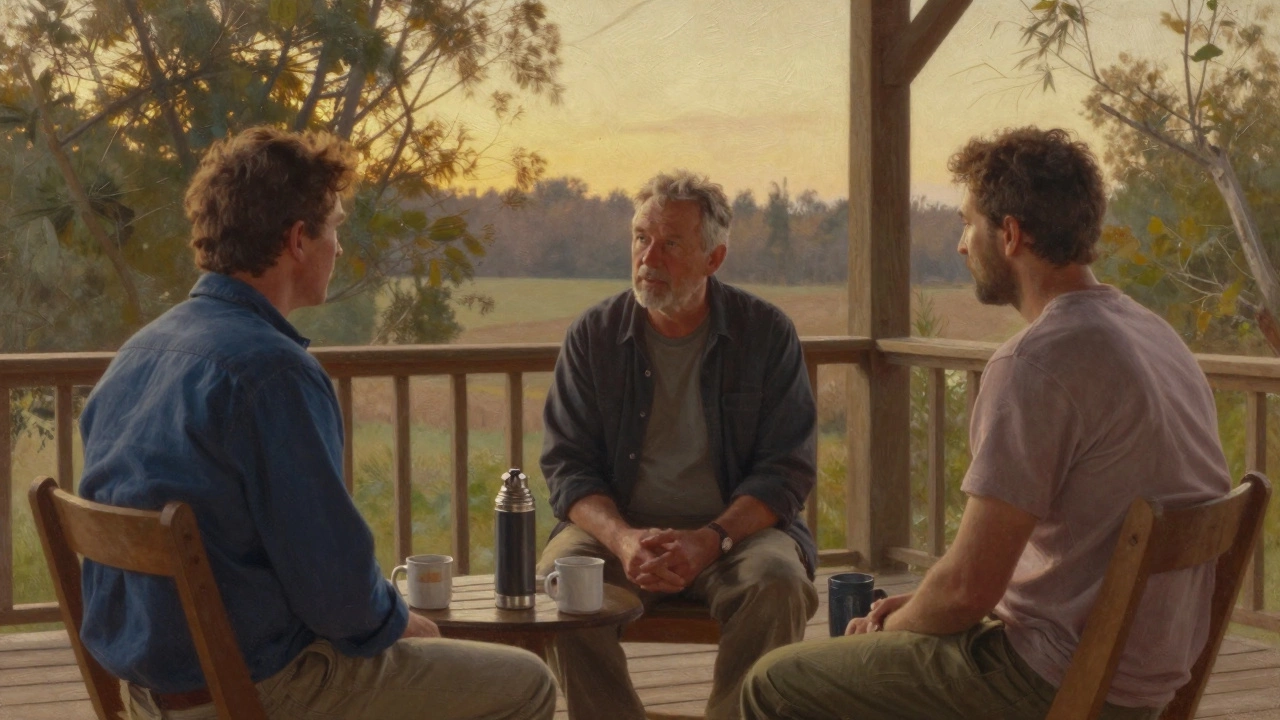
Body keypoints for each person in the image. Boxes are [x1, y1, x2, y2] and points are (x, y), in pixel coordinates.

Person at [742, 127, 1232, 720]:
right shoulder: (1154, 334)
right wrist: (920, 607)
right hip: (1141, 684)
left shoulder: (1036, 361)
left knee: (775, 681)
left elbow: (969, 589)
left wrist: (893, 630)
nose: (959, 245)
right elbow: (969, 589)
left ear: (1010, 234)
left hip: (1050, 681)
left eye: (966, 223)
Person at [77, 126, 556, 720]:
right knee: (527, 681)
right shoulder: (273, 374)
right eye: (334, 229)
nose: (339, 248)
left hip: (150, 695)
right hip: (257, 691)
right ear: (298, 240)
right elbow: (337, 591)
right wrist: (400, 622)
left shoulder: (137, 354)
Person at [538, 169, 820, 720]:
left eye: (670, 244)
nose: (649, 258)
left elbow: (786, 472)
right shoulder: (594, 335)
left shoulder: (766, 334)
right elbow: (568, 468)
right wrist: (622, 540)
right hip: (621, 535)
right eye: (642, 238)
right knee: (563, 580)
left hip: (735, 537)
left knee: (779, 582)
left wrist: (710, 539)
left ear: (713, 258)